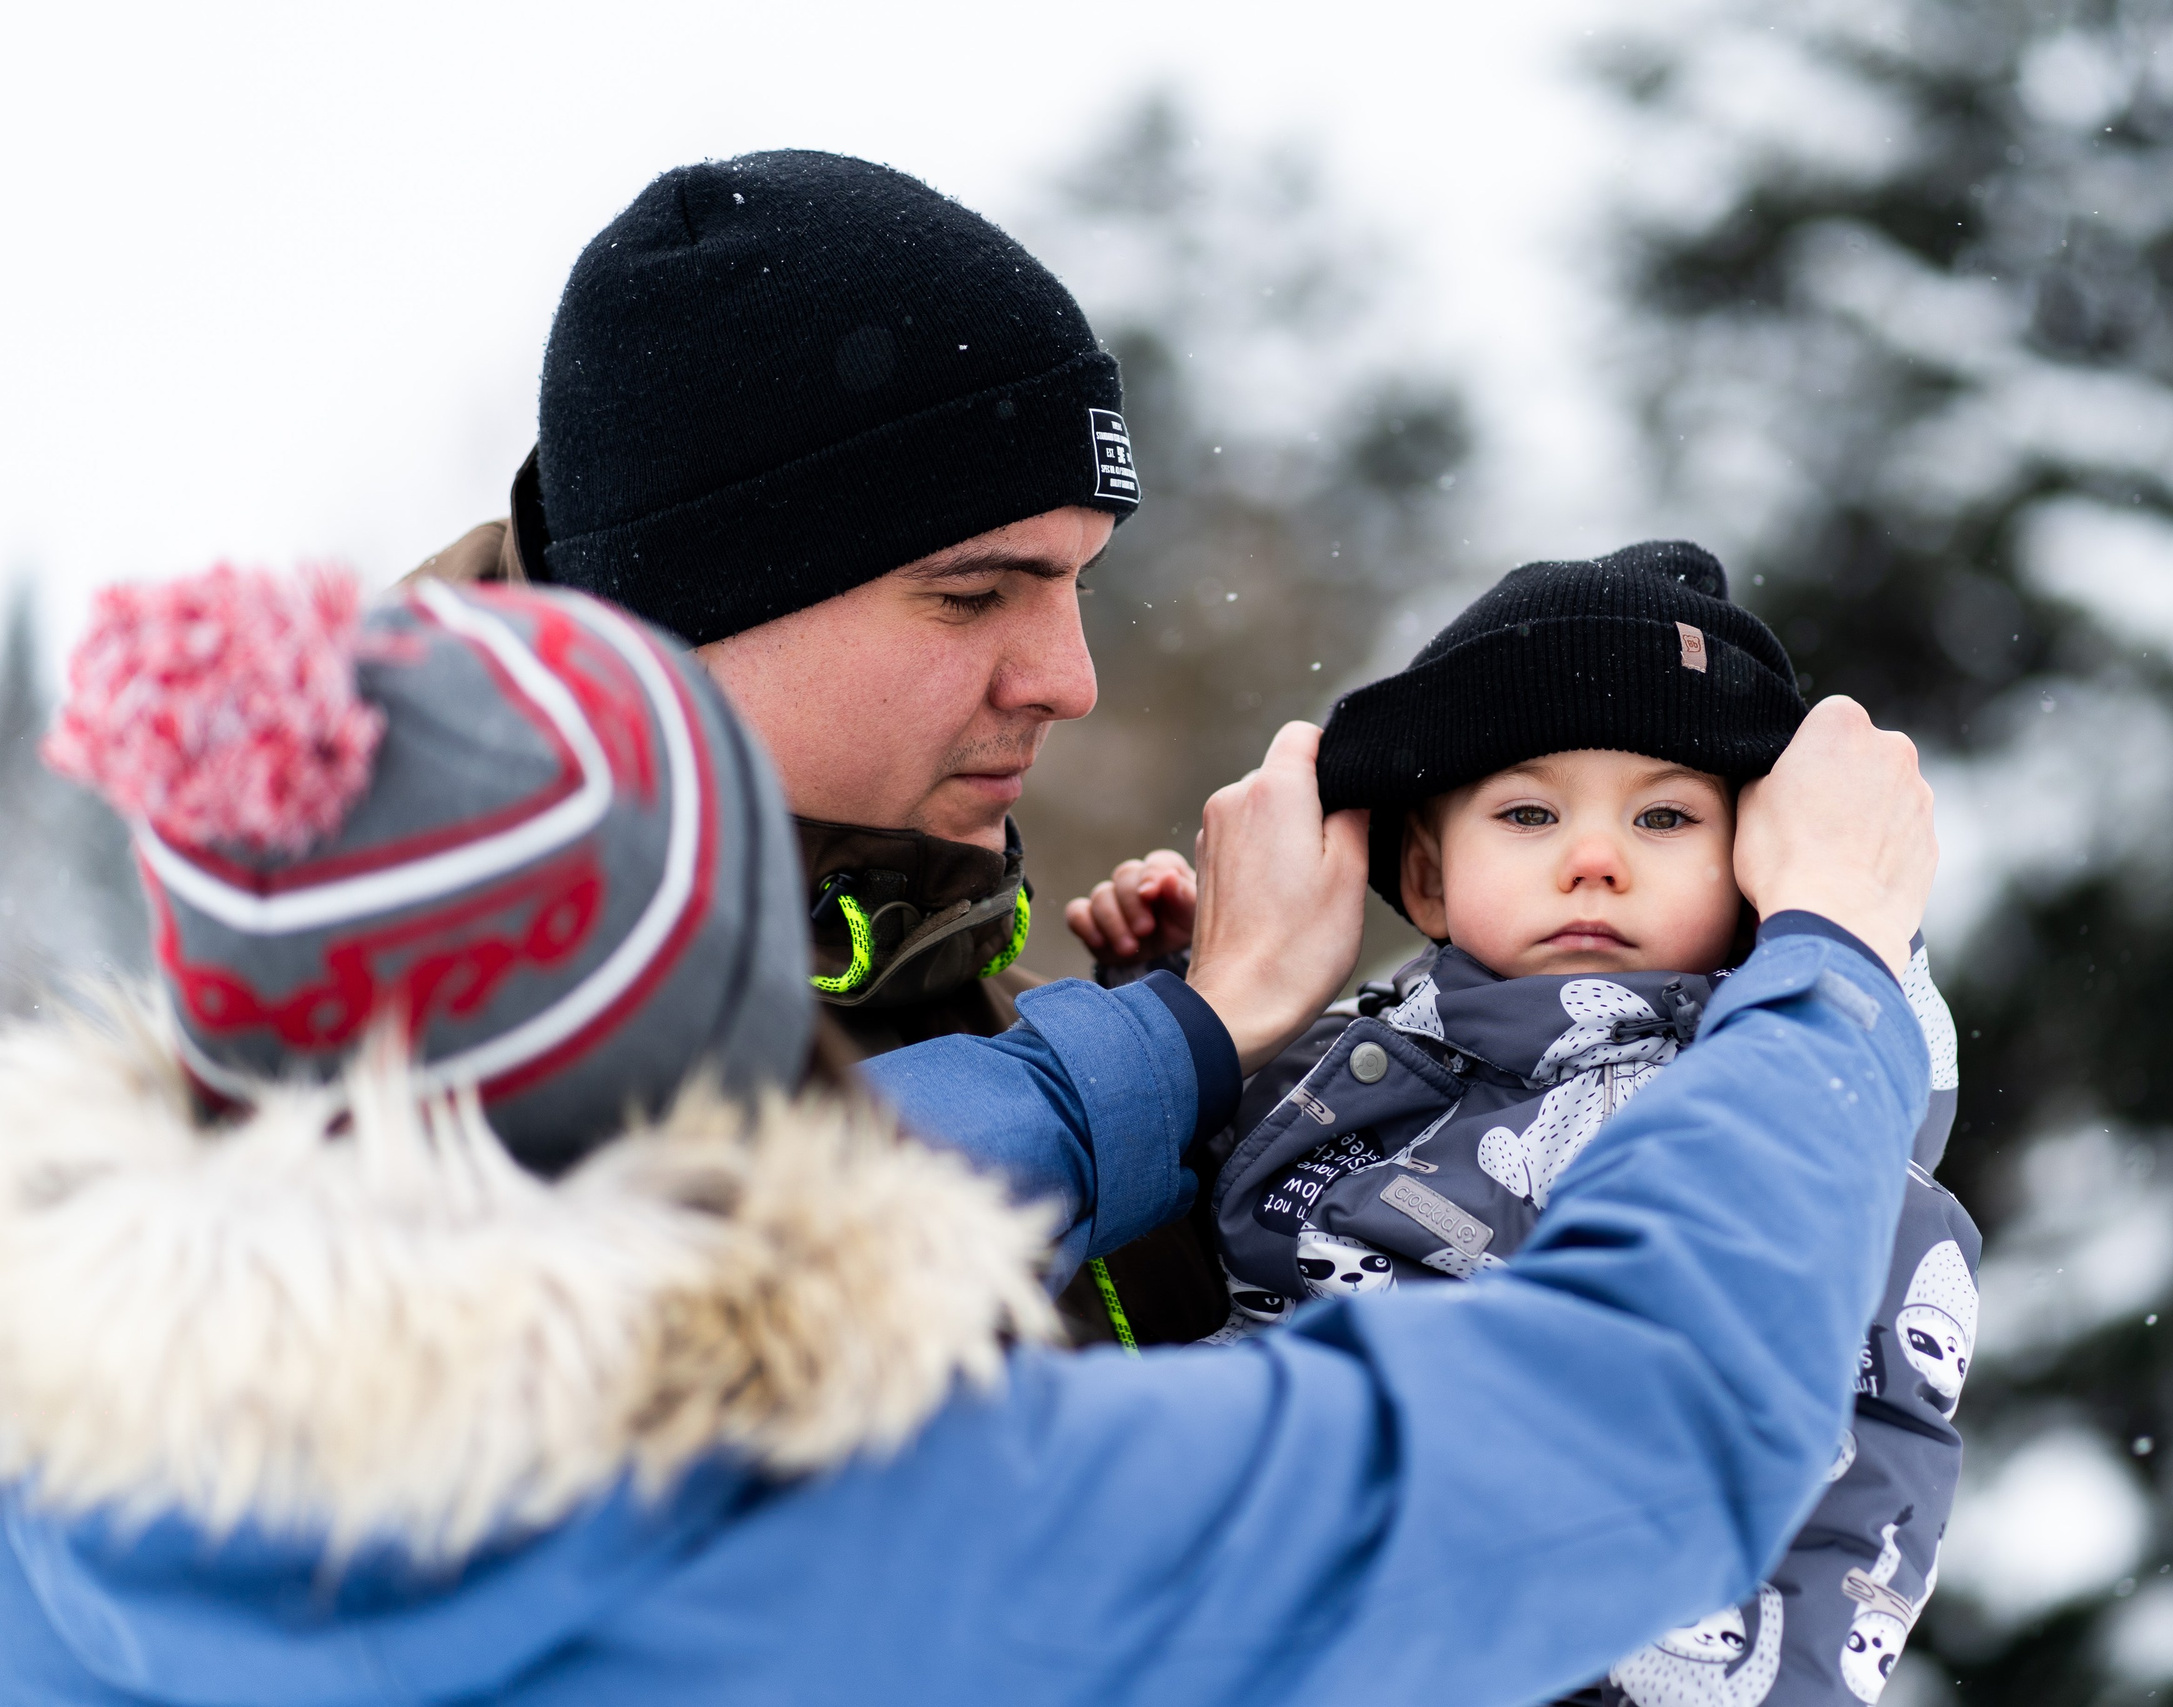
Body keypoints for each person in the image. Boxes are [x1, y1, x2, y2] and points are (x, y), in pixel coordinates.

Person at [0, 541, 1946, 1702]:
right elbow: (1633, 1432)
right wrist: (1834, 970)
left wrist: (1182, 1037)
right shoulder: (902, 1523)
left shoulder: (62, 1507)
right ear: (704, 1014)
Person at [408, 148, 1245, 1343]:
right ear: (692, 610)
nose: (1071, 682)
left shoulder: (991, 1005)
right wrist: (1177, 1048)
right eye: (973, 596)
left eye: (1079, 587)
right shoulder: (382, 1072)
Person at [1173, 541, 1980, 1707]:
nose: (1593, 860)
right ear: (1431, 874)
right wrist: (1182, 1010)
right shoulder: (1376, 1054)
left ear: (1759, 871)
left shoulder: (1764, 1119)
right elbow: (1232, 1217)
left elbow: (1849, 1472)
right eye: (1528, 811)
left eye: (1661, 819)